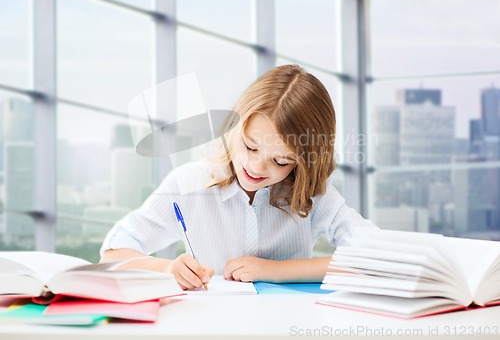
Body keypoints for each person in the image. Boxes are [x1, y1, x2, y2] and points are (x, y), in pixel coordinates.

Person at [100, 64, 376, 290]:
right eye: (250, 146)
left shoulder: (311, 193)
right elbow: (114, 253)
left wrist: (275, 270)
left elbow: (375, 256)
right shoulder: (190, 184)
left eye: (280, 161)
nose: (256, 167)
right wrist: (168, 268)